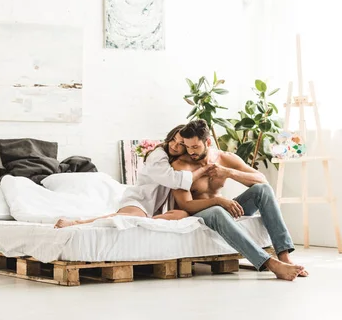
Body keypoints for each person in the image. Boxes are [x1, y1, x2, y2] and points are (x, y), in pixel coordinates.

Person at [172, 119, 308, 281]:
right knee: (216, 211)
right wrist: (219, 201)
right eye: (187, 146)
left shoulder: (224, 158)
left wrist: (229, 173)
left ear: (207, 142)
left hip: (224, 208)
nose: (191, 151)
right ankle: (271, 264)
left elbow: (261, 179)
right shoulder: (180, 165)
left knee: (262, 190)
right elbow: (186, 204)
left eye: (195, 147)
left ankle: (284, 257)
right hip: (202, 212)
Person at [55, 124, 211, 228]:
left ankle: (147, 222)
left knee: (180, 215)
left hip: (153, 208)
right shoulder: (158, 155)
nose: (174, 146)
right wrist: (204, 170)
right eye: (173, 140)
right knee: (130, 217)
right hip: (139, 200)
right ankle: (77, 223)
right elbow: (173, 180)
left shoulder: (176, 160)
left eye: (181, 144)